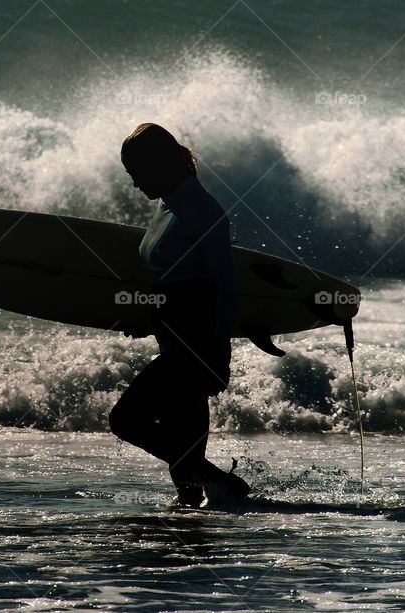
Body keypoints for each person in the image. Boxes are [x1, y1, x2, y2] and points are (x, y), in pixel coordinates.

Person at [108, 123, 251, 507]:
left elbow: (225, 281)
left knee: (125, 420)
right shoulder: (169, 203)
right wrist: (146, 317)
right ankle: (190, 549)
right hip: (174, 338)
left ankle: (221, 482)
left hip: (197, 345)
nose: (135, 184)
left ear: (158, 164)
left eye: (137, 173)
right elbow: (173, 279)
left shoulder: (201, 209)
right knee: (184, 482)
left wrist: (218, 354)